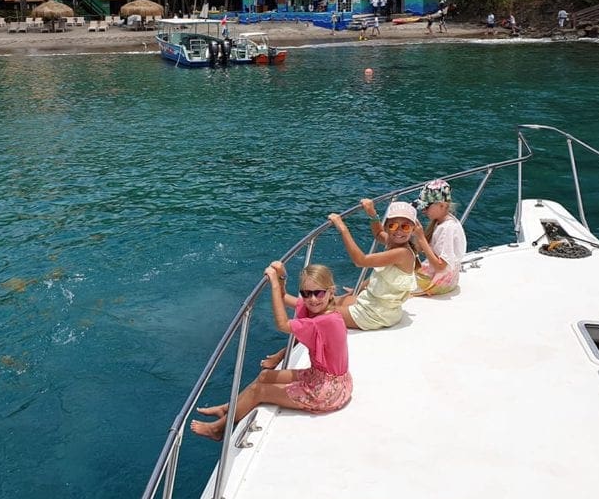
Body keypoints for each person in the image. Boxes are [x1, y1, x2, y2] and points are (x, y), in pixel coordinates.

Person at [190, 262, 352, 441]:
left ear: (331, 292)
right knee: (264, 376)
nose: (313, 299)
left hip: (328, 391)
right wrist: (282, 277)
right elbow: (283, 298)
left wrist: (274, 283)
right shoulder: (318, 310)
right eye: (306, 293)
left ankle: (218, 430)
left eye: (318, 293)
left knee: (260, 391)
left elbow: (282, 325)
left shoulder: (326, 321)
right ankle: (228, 409)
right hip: (321, 376)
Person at [325, 201, 420, 329]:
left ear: (413, 230)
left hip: (375, 314)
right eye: (393, 226)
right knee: (327, 301)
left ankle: (291, 344)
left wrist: (342, 228)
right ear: (386, 227)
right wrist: (372, 213)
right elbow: (378, 234)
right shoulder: (394, 243)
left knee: (318, 311)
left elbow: (360, 261)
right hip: (377, 305)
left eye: (406, 227)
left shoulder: (402, 253)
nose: (399, 231)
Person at [409, 180, 467, 295]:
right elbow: (419, 249)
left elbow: (440, 267)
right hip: (445, 278)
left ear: (442, 205)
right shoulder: (440, 222)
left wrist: (421, 237)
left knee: (393, 281)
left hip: (441, 282)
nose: (423, 210)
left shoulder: (447, 228)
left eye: (426, 207)